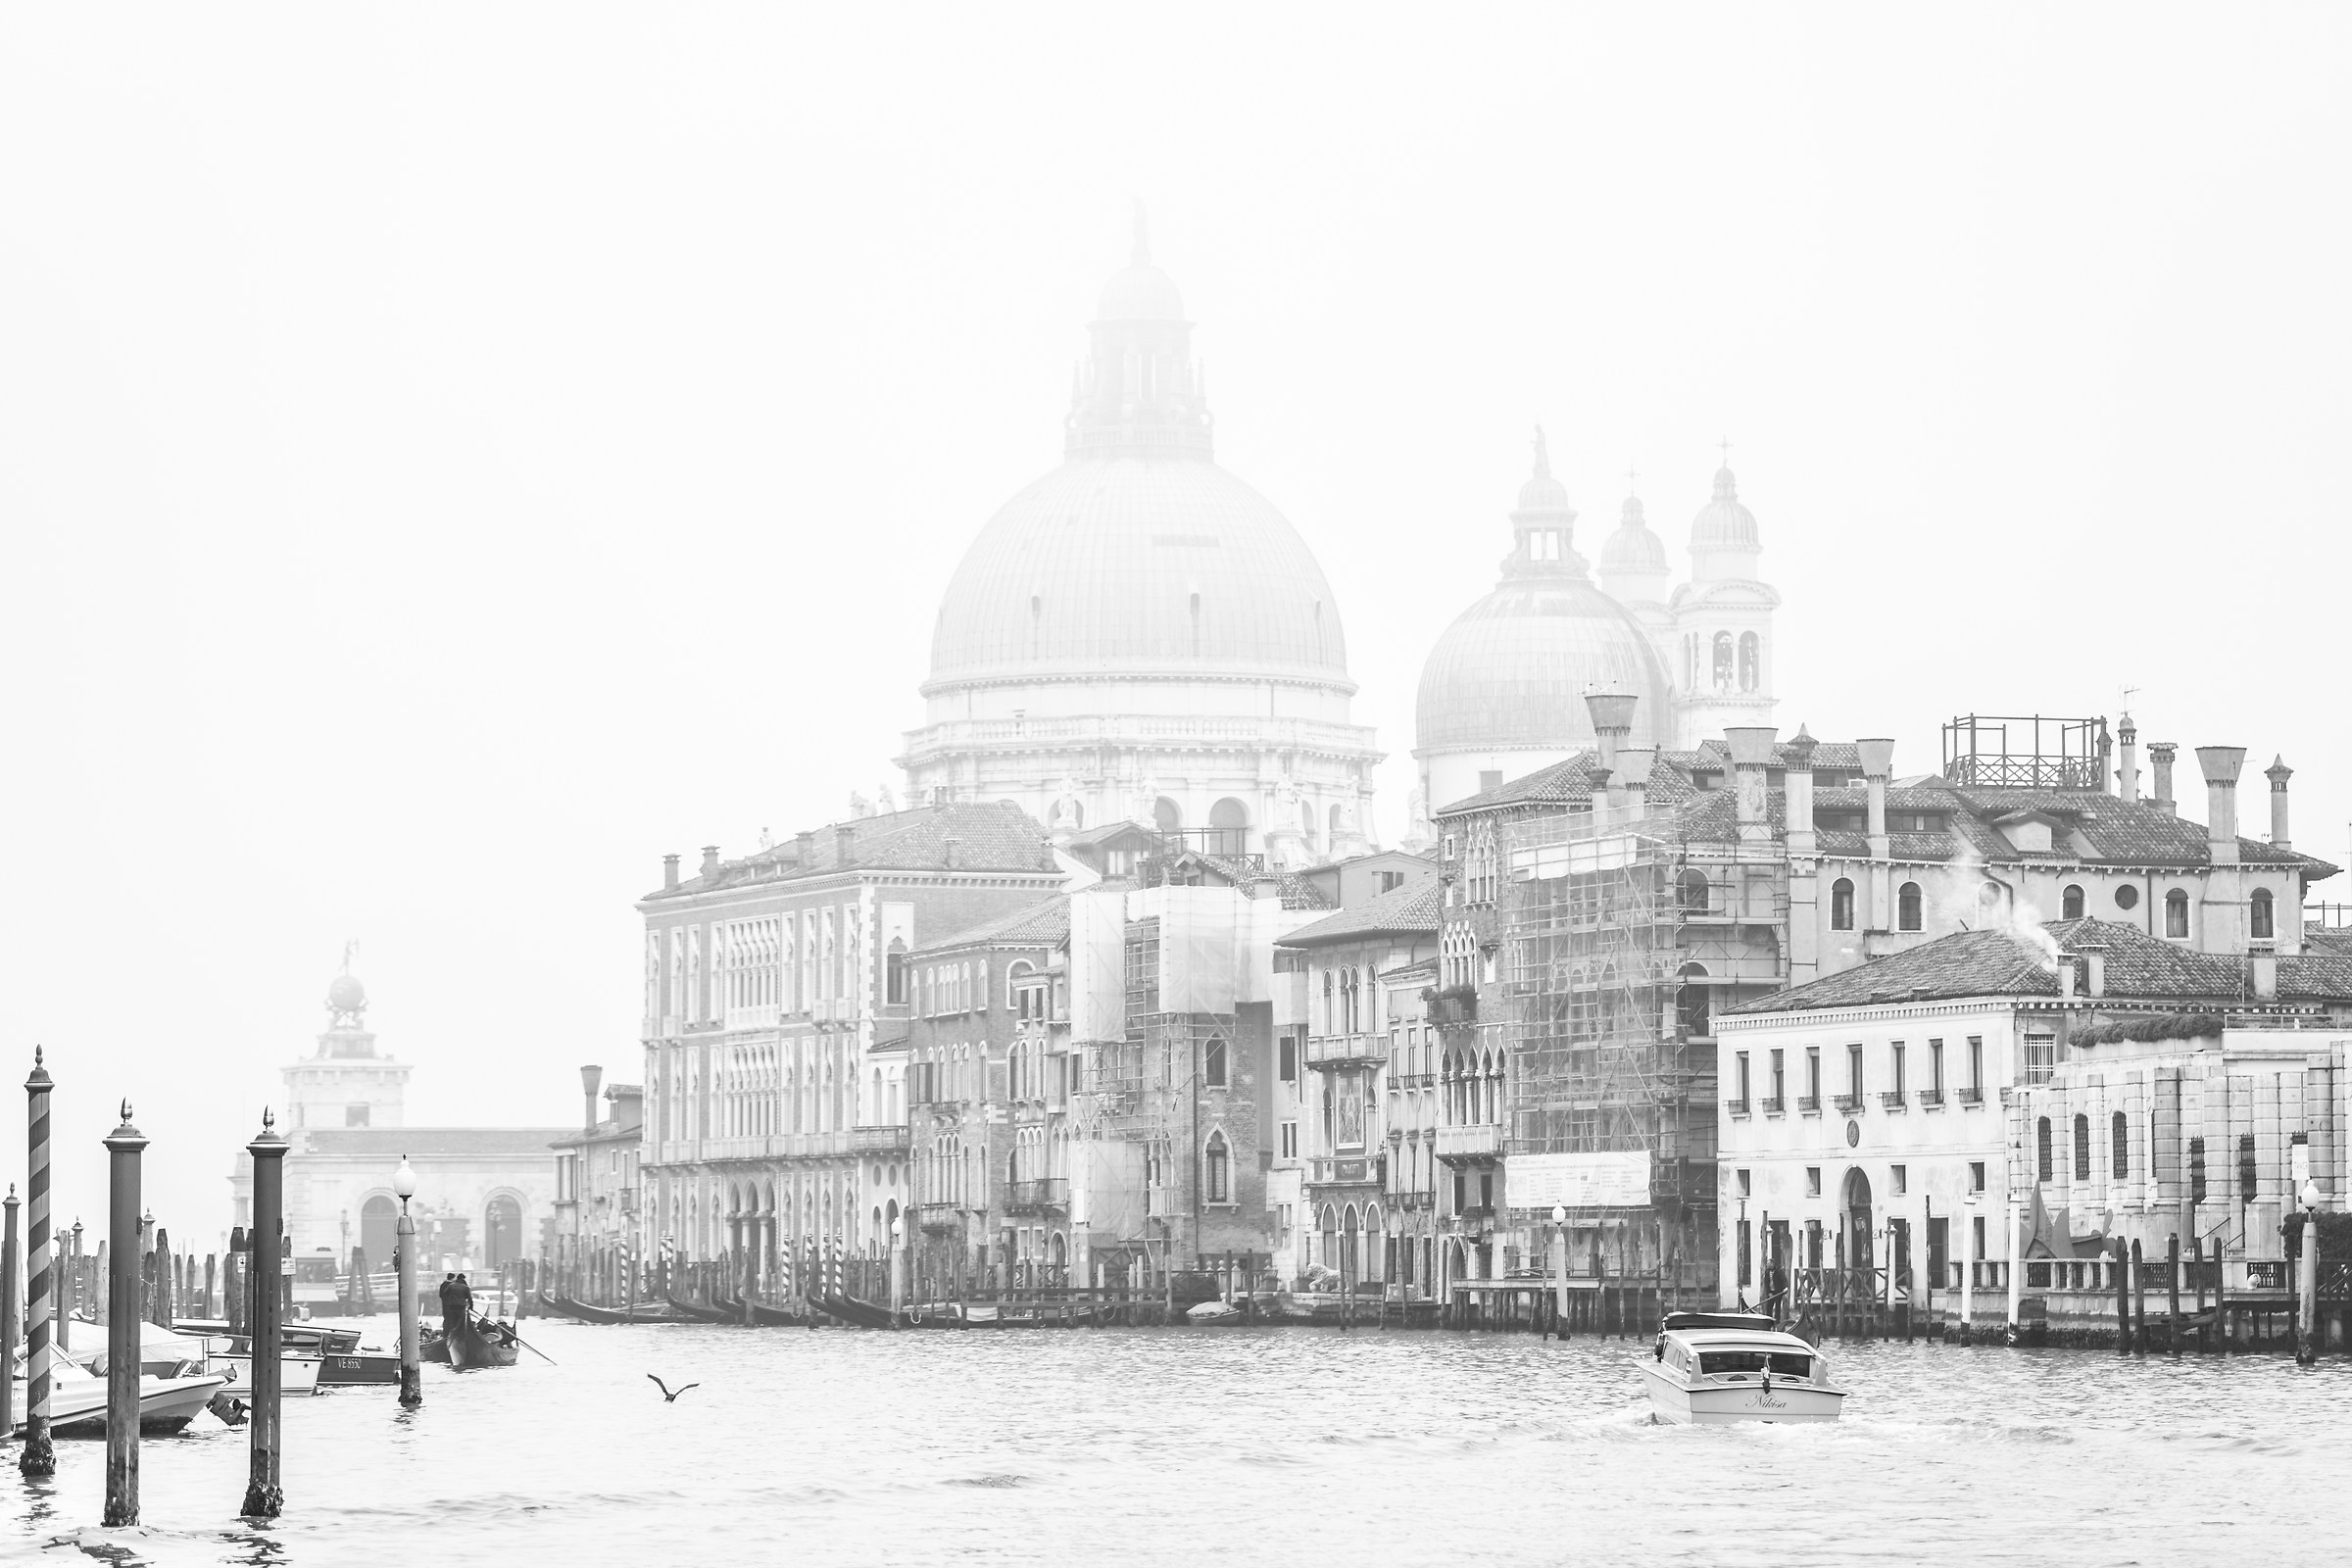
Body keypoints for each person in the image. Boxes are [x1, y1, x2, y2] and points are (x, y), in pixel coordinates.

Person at [437, 1272, 463, 1339]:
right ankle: (453, 1336)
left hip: (445, 1306)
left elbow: (441, 1295)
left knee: (447, 1321)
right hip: (452, 1307)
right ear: (452, 1278)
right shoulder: (452, 1286)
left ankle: (445, 1335)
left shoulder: (443, 1285)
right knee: (454, 1322)